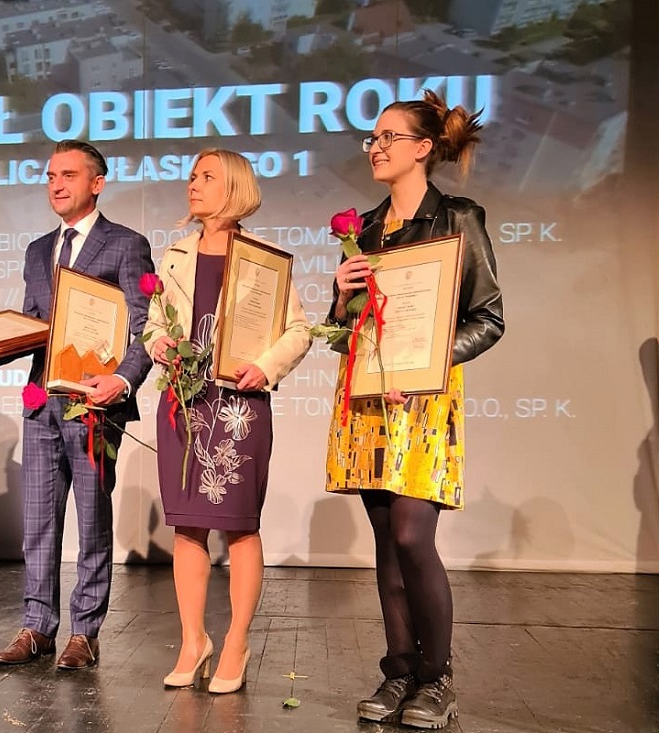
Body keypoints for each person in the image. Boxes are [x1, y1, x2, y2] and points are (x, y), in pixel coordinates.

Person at [0, 139, 155, 670]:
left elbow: (146, 328)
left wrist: (121, 381)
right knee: (38, 522)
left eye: (68, 176)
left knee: (92, 520)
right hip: (42, 405)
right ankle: (37, 626)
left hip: (94, 405)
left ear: (97, 184)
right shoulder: (39, 250)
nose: (56, 185)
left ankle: (85, 631)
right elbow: (34, 329)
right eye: (51, 176)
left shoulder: (126, 245)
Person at [324, 89, 504, 728]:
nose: (375, 147)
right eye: (372, 138)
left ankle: (437, 677)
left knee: (411, 535)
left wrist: (427, 366)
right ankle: (399, 670)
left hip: (423, 405)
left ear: (423, 148)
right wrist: (339, 296)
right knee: (385, 541)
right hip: (368, 402)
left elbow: (489, 318)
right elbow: (342, 332)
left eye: (388, 137)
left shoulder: (457, 218)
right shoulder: (363, 230)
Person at [142, 148, 312, 693]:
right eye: (192, 175)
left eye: (207, 176)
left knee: (239, 525)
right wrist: (157, 343)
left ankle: (236, 641)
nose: (193, 184)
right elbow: (152, 324)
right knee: (187, 524)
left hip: (239, 403)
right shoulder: (174, 256)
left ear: (234, 187)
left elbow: (299, 330)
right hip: (183, 401)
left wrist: (265, 367)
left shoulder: (264, 257)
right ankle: (193, 641)